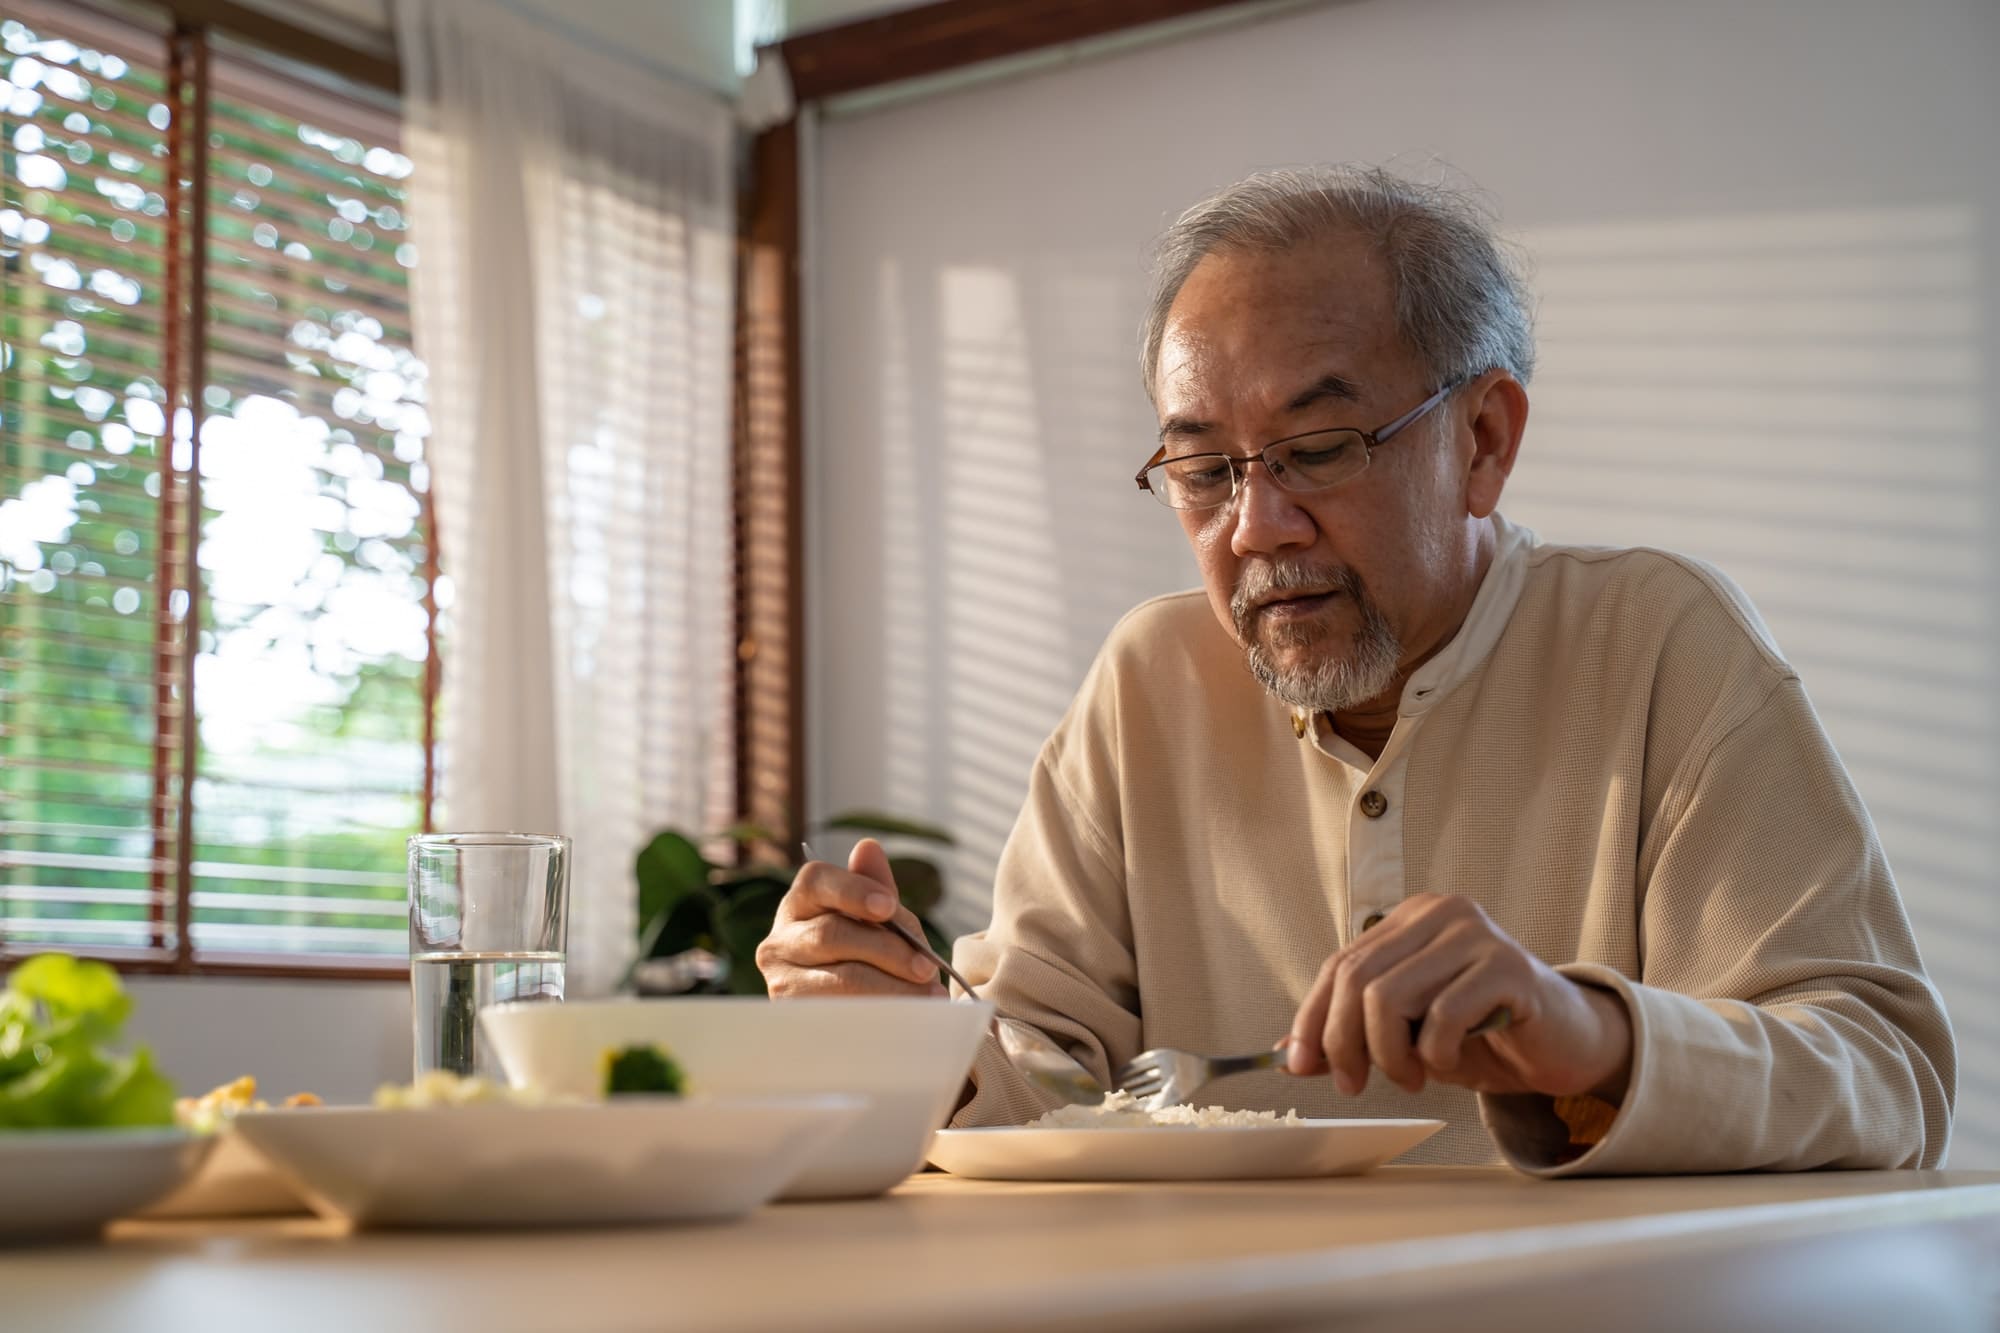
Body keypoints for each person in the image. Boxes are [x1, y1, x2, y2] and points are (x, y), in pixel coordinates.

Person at [755, 165, 1955, 1173]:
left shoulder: (1657, 643)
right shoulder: (1149, 682)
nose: (1254, 525)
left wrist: (1589, 1036)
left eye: (1315, 450)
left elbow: (1884, 1075)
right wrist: (909, 1035)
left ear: (1480, 442)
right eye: (1203, 470)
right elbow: (1044, 1072)